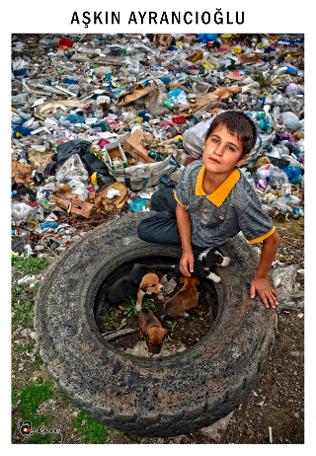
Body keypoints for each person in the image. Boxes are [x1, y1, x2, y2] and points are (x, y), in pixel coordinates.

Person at [137, 110, 281, 309]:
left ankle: (197, 248)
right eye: (215, 140)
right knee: (159, 197)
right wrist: (185, 250)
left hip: (203, 235)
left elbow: (272, 239)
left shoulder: (241, 201)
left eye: (230, 148)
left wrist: (261, 277)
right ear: (205, 142)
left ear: (241, 159)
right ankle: (177, 231)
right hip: (193, 212)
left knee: (144, 229)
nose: (218, 152)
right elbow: (181, 207)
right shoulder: (193, 170)